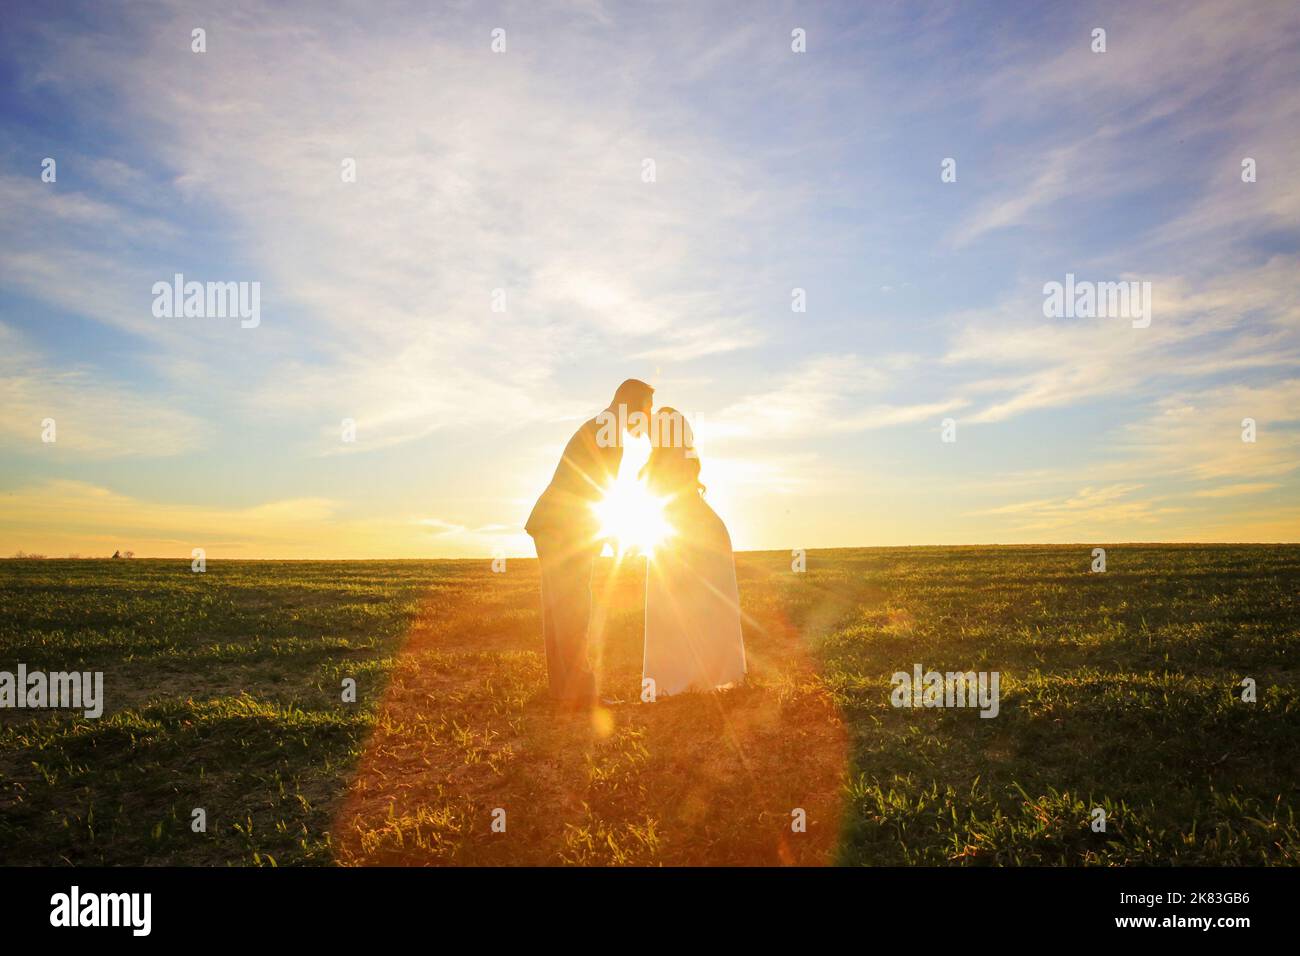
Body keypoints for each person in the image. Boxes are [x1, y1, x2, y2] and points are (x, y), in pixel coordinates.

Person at [525, 379, 654, 708]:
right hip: (566, 528)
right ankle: (583, 695)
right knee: (574, 609)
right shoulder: (608, 431)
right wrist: (610, 532)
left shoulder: (600, 425)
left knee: (559, 610)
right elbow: (598, 487)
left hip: (552, 525)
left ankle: (564, 692)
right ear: (632, 405)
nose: (649, 418)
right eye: (647, 409)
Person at [640, 407, 746, 698]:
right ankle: (704, 672)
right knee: (694, 601)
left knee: (691, 601)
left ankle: (693, 674)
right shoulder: (673, 456)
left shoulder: (666, 458)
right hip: (685, 528)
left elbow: (666, 495)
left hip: (687, 529)